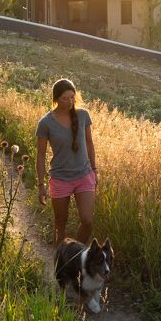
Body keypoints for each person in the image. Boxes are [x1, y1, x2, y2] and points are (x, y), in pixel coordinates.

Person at [35, 77, 98, 246]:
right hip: (60, 178)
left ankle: (74, 255)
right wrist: (41, 185)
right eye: (65, 98)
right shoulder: (45, 123)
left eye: (72, 97)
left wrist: (94, 170)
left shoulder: (83, 115)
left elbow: (89, 143)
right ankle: (59, 264)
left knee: (87, 220)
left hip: (84, 175)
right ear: (56, 99)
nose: (70, 101)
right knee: (60, 224)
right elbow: (40, 155)